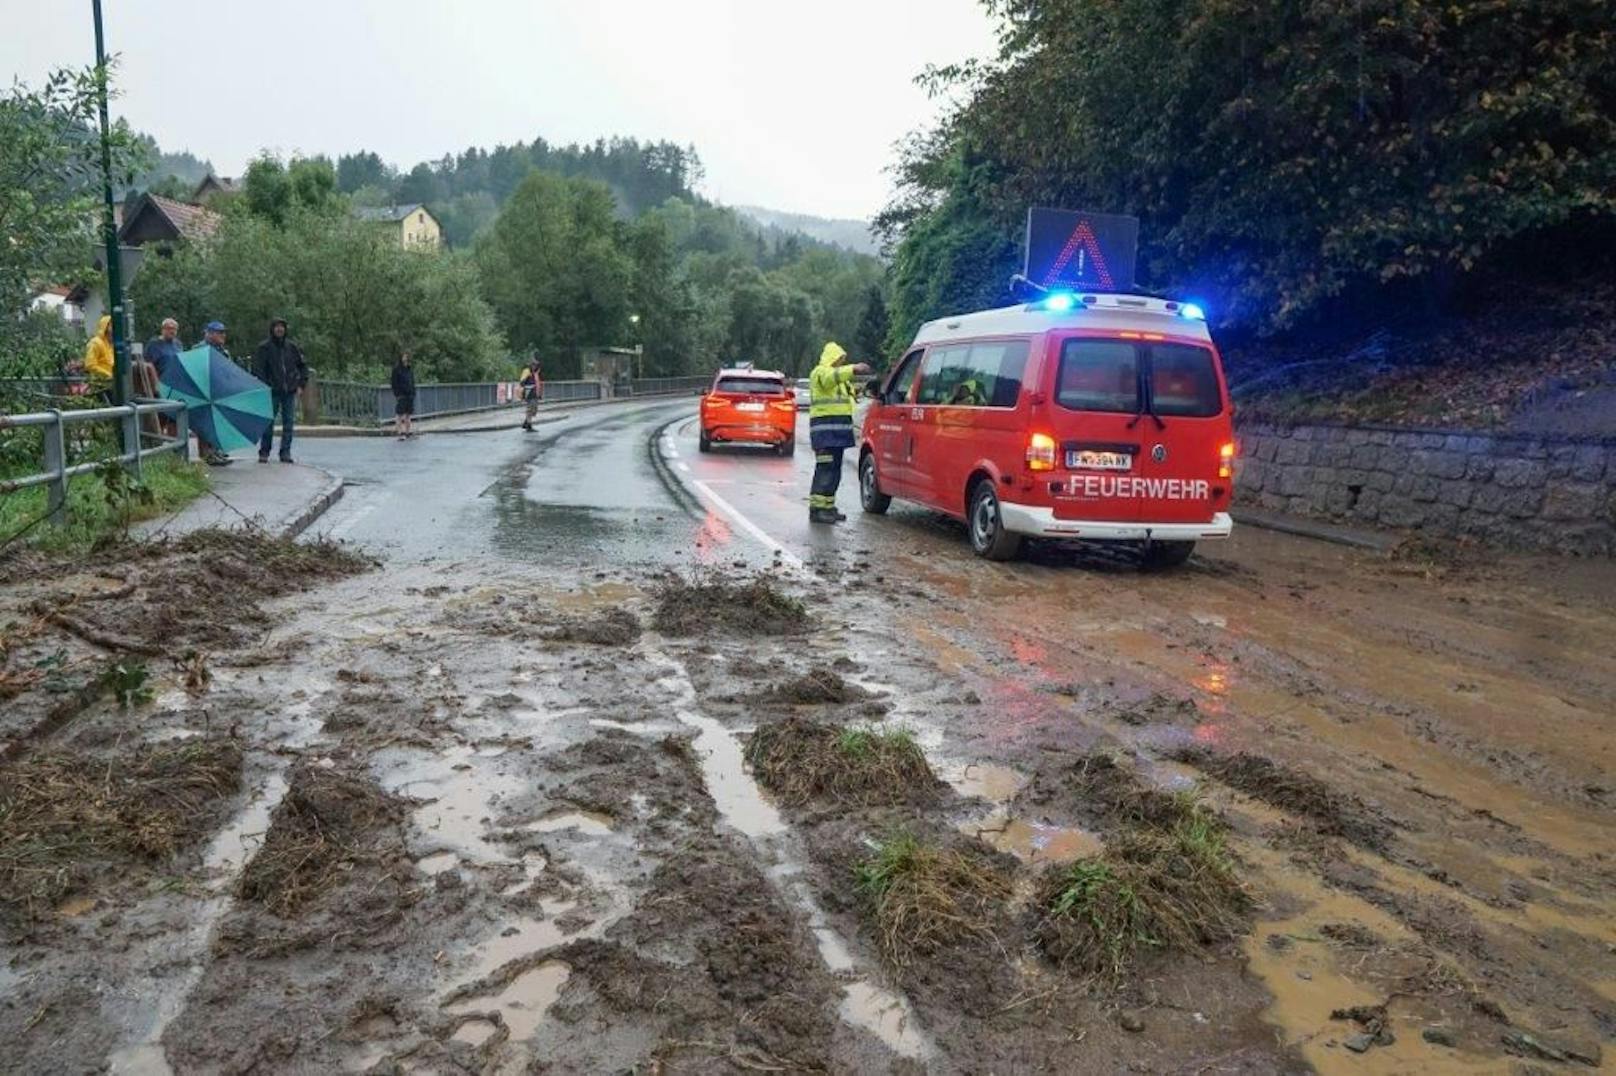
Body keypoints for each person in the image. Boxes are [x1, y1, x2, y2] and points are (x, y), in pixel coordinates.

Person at [806, 341, 871, 524]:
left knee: (834, 471)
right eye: (838, 359)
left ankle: (828, 507)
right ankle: (817, 510)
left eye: (842, 360)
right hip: (825, 433)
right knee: (825, 470)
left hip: (837, 433)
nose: (840, 363)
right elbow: (830, 379)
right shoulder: (820, 372)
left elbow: (849, 397)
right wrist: (853, 369)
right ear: (831, 358)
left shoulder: (840, 380)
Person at [252, 316, 309, 464]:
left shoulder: (291, 347)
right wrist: (265, 384)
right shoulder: (264, 348)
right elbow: (258, 369)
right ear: (272, 329)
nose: (279, 329)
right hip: (271, 391)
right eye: (276, 326)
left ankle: (285, 452)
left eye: (282, 326)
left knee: (288, 423)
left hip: (289, 391)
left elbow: (303, 366)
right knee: (268, 424)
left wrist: (301, 385)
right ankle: (264, 451)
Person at [194, 321, 235, 466]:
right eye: (219, 332)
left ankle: (215, 451)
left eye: (223, 332)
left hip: (219, 391)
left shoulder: (223, 350)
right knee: (205, 424)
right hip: (204, 391)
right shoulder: (200, 349)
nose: (223, 335)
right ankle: (206, 454)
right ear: (209, 333)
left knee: (217, 422)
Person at [391, 350, 417, 440]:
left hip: (410, 394)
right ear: (401, 358)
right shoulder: (397, 369)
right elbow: (394, 383)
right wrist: (397, 394)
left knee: (408, 414)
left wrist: (413, 392)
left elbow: (412, 381)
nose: (405, 358)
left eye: (407, 356)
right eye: (404, 356)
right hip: (401, 395)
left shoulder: (409, 369)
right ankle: (400, 433)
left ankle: (407, 432)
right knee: (399, 414)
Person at [82, 315, 115, 382]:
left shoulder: (111, 345)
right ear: (105, 328)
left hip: (111, 383)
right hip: (99, 384)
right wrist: (108, 375)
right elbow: (90, 365)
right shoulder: (96, 343)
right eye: (111, 326)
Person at [519, 356, 544, 431]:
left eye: (535, 365)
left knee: (534, 410)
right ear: (530, 365)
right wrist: (527, 380)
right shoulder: (527, 371)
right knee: (530, 409)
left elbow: (538, 383)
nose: (534, 366)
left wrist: (539, 394)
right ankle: (529, 425)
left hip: (534, 393)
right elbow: (522, 382)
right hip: (529, 392)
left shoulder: (536, 372)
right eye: (533, 364)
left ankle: (526, 423)